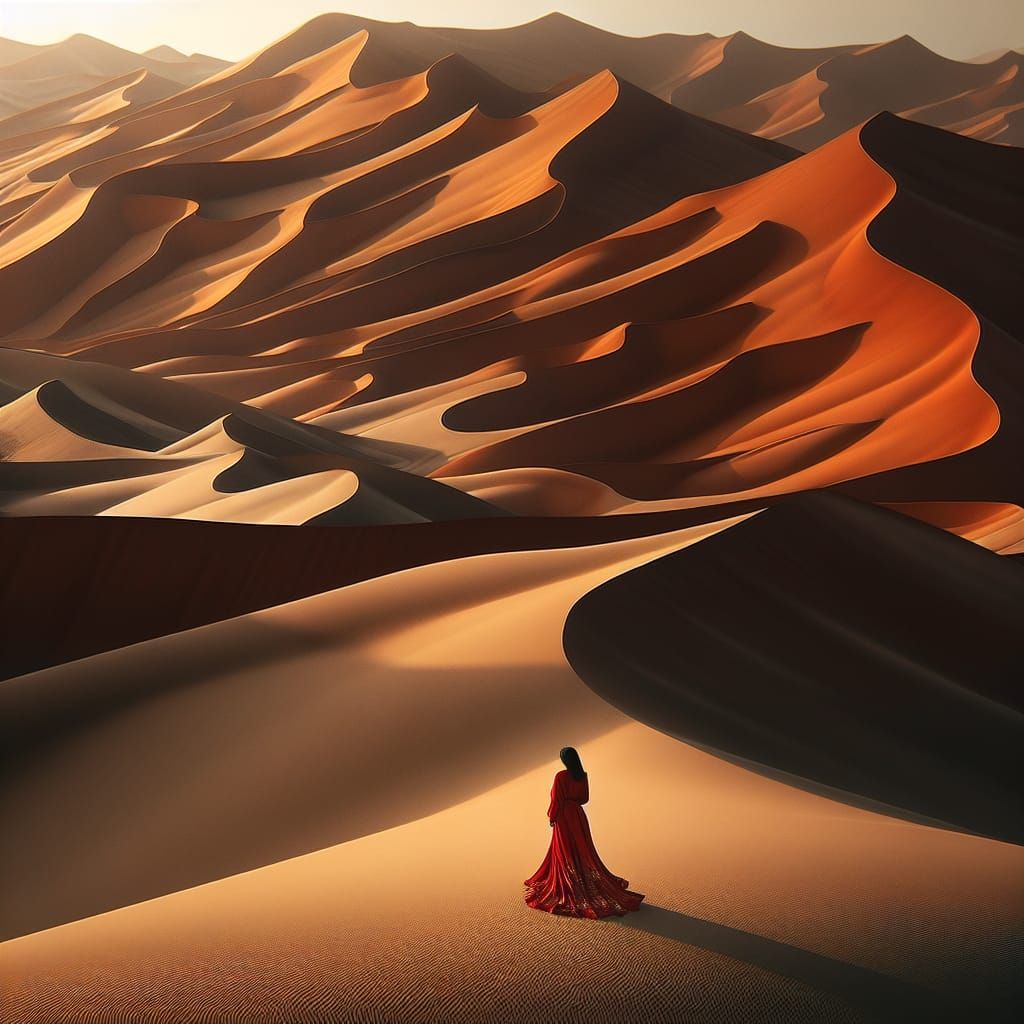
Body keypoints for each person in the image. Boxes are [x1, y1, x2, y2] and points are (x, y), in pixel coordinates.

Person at [524, 746, 644, 918]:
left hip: (564, 816)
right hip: (578, 816)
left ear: (565, 760)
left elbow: (556, 799)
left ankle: (572, 883)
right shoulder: (583, 776)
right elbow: (585, 799)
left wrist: (552, 816)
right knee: (582, 849)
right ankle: (581, 877)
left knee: (565, 850)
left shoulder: (561, 776)